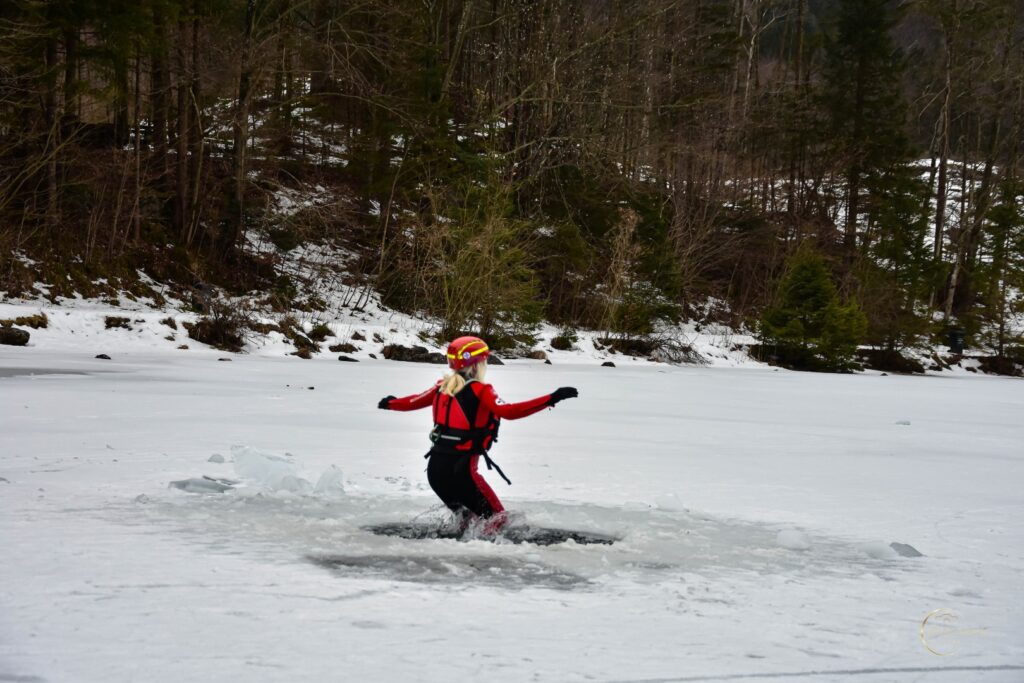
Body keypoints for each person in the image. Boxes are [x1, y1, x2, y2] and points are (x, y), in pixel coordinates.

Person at [378, 335, 578, 535]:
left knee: (466, 521)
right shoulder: (481, 390)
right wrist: (551, 398)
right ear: (477, 365)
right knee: (498, 520)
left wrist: (391, 403)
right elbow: (509, 411)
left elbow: (413, 401)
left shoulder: (441, 387)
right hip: (462, 473)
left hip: (436, 473)